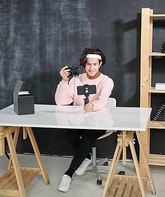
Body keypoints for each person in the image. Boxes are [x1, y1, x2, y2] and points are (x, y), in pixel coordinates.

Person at [55, 47, 114, 192]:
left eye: (95, 64)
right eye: (88, 64)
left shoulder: (106, 81)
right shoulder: (76, 80)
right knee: (69, 135)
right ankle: (86, 157)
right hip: (80, 120)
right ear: (83, 65)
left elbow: (104, 100)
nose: (92, 68)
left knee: (87, 139)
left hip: (100, 121)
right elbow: (61, 101)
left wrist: (93, 105)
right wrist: (64, 82)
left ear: (100, 64)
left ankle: (68, 174)